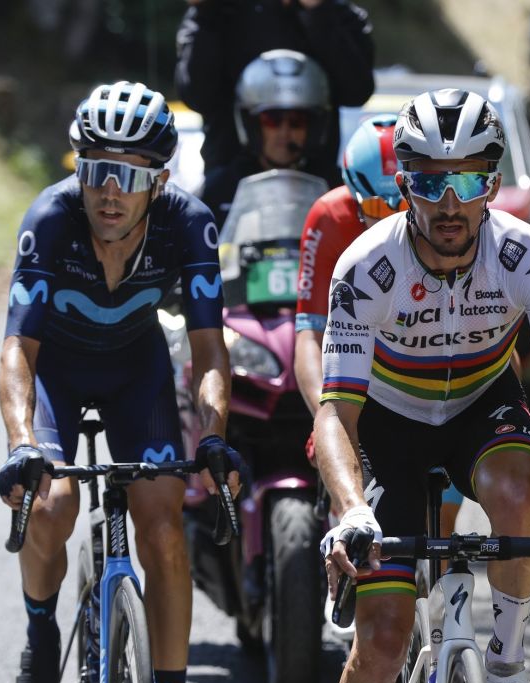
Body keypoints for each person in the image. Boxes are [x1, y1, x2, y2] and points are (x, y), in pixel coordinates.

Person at [313, 89, 530, 683]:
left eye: (470, 180)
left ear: (493, 183)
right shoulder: (365, 267)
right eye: (429, 182)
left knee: (518, 494)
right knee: (381, 641)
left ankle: (504, 666)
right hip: (389, 425)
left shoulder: (529, 256)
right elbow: (336, 413)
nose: (450, 204)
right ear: (403, 184)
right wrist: (351, 510)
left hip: (483, 404)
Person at [0, 80, 240, 683]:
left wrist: (214, 436)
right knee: (50, 504)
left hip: (137, 374)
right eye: (96, 169)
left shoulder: (189, 224)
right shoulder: (51, 218)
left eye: (129, 176)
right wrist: (21, 441)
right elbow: (17, 349)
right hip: (56, 375)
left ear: (159, 181)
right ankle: (41, 640)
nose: (109, 191)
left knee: (164, 528)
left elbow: (209, 351)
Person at [294, 113, 462, 532]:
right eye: (374, 208)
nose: (391, 219)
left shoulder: (446, 220)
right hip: (363, 380)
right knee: (366, 518)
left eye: (402, 206)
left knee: (440, 528)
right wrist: (324, 417)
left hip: (436, 367)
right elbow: (310, 334)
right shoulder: (329, 218)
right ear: (352, 194)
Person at [174, 0, 374, 184]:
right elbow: (197, 96)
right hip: (232, 187)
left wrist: (317, 12)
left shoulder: (339, 15)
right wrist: (206, 10)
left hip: (315, 186)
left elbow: (357, 92)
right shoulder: (215, 11)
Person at [199, 48, 331, 230]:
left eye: (297, 121)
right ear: (251, 124)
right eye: (272, 120)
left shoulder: (332, 187)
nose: (284, 132)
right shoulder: (218, 189)